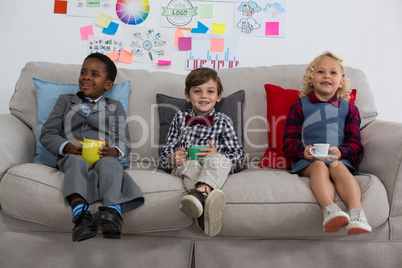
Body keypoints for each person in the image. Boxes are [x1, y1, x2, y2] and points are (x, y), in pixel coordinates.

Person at [40, 53, 144, 242]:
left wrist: (114, 150)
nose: (86, 77)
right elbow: (48, 134)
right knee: (75, 162)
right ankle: (81, 215)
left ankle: (112, 213)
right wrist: (66, 146)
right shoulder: (65, 101)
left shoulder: (115, 106)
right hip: (73, 155)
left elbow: (124, 140)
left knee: (111, 165)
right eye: (83, 72)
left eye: (95, 74)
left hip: (102, 155)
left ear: (108, 85)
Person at [282, 51, 372, 235]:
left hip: (339, 159)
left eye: (333, 73)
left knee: (337, 166)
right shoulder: (300, 106)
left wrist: (341, 152)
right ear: (311, 79)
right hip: (309, 161)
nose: (326, 76)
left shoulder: (349, 109)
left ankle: (357, 213)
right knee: (319, 167)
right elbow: (288, 142)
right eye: (320, 72)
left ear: (341, 82)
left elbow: (355, 144)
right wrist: (303, 151)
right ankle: (329, 210)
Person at [159, 67, 244, 237]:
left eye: (210, 91)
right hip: (187, 164)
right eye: (197, 91)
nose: (204, 96)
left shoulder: (223, 121)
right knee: (191, 165)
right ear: (187, 95)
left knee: (216, 159)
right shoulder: (180, 118)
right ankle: (206, 209)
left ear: (218, 96)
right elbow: (165, 151)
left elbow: (238, 157)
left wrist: (217, 153)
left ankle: (200, 195)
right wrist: (173, 158)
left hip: (214, 164)